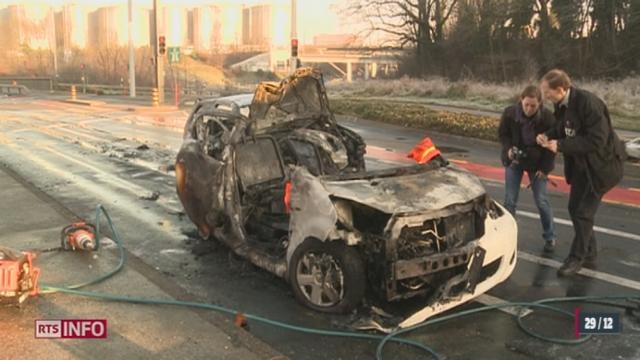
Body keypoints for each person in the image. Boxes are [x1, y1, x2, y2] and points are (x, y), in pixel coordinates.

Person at [537, 69, 626, 276]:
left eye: (547, 92)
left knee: (583, 212)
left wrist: (559, 146)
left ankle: (576, 258)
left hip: (601, 168)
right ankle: (589, 251)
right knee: (574, 208)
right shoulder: (562, 105)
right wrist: (547, 135)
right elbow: (563, 128)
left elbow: (597, 140)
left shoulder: (588, 103)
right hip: (581, 168)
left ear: (560, 89)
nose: (545, 97)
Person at [498, 85, 557, 252]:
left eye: (533, 106)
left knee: (542, 200)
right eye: (526, 105)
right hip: (515, 159)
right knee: (510, 200)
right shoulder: (510, 113)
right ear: (521, 101)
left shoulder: (547, 118)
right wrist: (508, 148)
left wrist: (545, 169)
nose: (529, 109)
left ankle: (550, 236)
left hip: (537, 162)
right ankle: (507, 236)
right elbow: (503, 134)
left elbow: (551, 146)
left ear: (540, 104)